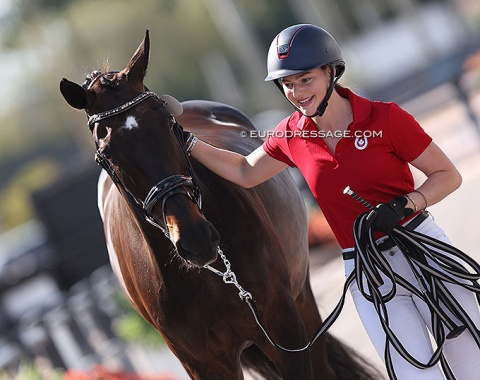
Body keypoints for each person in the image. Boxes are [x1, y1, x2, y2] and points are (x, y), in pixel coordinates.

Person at [184, 24, 480, 379]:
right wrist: (184, 140)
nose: (295, 92)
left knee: (470, 362)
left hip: (424, 248)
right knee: (412, 373)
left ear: (331, 72)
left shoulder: (385, 118)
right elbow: (246, 171)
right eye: (287, 84)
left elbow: (448, 175)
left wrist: (407, 203)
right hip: (367, 270)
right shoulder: (290, 134)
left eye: (304, 79)